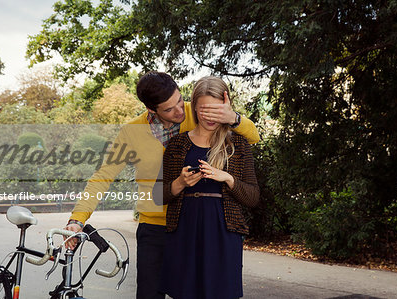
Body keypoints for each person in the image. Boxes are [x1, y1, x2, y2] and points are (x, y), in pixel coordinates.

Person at [64, 71, 260, 299]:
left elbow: (252, 136)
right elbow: (103, 175)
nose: (180, 111)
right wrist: (77, 220)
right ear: (152, 110)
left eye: (179, 100)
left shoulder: (198, 111)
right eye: (169, 109)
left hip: (193, 225)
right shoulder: (131, 132)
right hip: (155, 227)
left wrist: (233, 117)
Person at [159, 76, 260, 299]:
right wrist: (179, 184)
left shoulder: (238, 144)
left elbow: (253, 197)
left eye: (217, 110)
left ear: (226, 107)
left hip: (224, 231)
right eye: (205, 109)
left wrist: (228, 178)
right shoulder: (177, 144)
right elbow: (159, 195)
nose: (211, 116)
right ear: (193, 107)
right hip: (184, 228)